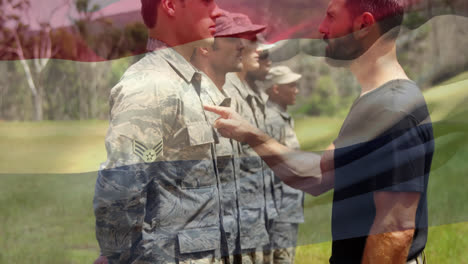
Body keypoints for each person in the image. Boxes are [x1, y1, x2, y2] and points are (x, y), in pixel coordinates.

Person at [204, 0, 434, 263]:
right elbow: (316, 175)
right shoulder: (375, 101)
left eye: (331, 17)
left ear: (363, 25)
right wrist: (250, 134)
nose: (322, 28)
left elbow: (394, 232)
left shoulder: (391, 109)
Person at [92, 0, 225, 264]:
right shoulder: (150, 85)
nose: (217, 10)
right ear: (171, 5)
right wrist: (116, 256)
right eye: (206, 1)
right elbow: (120, 187)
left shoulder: (188, 81)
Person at [221, 13, 278, 263]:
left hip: (258, 214)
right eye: (251, 40)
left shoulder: (251, 93)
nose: (258, 49)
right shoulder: (226, 93)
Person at [263, 66, 304, 264]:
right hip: (279, 208)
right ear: (275, 89)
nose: (296, 90)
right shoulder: (271, 119)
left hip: (287, 205)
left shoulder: (281, 116)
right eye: (291, 86)